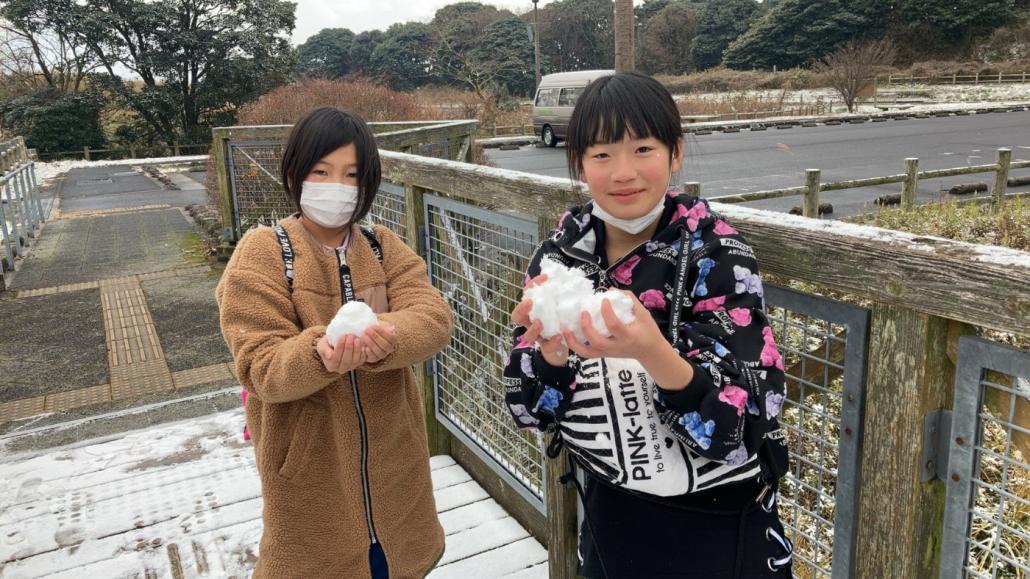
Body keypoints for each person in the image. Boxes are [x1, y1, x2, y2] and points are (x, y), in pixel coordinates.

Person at [504, 73, 794, 578]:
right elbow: (528, 411)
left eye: (642, 148)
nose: (623, 173)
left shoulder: (718, 253)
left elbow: (747, 426)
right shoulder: (558, 258)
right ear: (578, 164)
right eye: (600, 155)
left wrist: (653, 351)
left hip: (720, 521)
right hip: (609, 510)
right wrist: (549, 353)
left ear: (675, 152)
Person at [216, 106, 453, 579]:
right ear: (294, 174)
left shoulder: (383, 246)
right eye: (321, 172)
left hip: (396, 466)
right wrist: (319, 353)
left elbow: (432, 317)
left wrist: (382, 339)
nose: (337, 187)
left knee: (399, 563)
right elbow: (260, 365)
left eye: (351, 175)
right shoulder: (263, 251)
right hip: (309, 478)